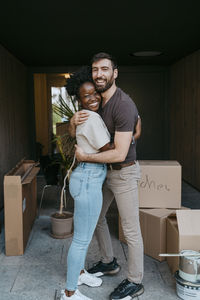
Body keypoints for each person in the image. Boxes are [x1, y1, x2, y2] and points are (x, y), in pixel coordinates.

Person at [74, 53, 144, 300]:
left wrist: (85, 158)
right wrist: (73, 121)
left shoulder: (123, 104)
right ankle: (108, 262)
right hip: (105, 174)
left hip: (123, 172)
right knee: (98, 218)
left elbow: (119, 153)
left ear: (115, 73)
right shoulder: (97, 100)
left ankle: (135, 281)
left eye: (105, 69)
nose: (99, 74)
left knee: (130, 229)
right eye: (95, 69)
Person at [61, 66, 113, 300]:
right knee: (81, 239)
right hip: (89, 179)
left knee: (83, 234)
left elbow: (74, 135)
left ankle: (80, 273)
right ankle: (70, 292)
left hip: (85, 177)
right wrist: (134, 134)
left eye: (94, 93)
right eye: (86, 96)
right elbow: (110, 150)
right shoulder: (91, 117)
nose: (92, 98)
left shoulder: (85, 116)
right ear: (79, 99)